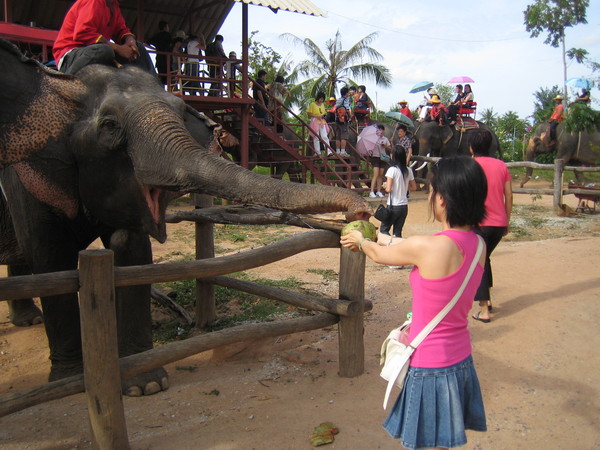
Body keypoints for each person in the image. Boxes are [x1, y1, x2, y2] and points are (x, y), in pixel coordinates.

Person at [341, 155, 488, 449]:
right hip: (460, 360)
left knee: (421, 441)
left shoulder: (430, 246)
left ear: (443, 199)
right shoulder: (478, 244)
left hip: (430, 364)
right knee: (441, 438)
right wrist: (377, 235)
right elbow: (406, 246)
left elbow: (383, 255)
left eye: (432, 191)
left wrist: (361, 241)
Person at [470, 130, 513, 323]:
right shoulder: (501, 165)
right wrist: (507, 220)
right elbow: (509, 195)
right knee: (484, 259)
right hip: (498, 223)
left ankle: (484, 309)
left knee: (479, 262)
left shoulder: (471, 165)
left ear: (471, 147)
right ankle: (488, 301)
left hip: (478, 223)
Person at [53, 0, 155, 76]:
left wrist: (130, 41)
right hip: (71, 55)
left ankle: (156, 88)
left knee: (139, 47)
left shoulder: (113, 5)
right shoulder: (94, 1)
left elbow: (121, 30)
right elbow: (82, 33)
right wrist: (119, 49)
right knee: (105, 51)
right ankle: (68, 80)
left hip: (96, 50)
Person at [378, 145, 417, 240]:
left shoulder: (392, 170)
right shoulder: (408, 170)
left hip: (393, 205)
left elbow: (388, 189)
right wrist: (402, 186)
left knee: (384, 230)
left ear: (393, 156)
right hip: (404, 206)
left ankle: (386, 250)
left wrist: (385, 186)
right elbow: (414, 187)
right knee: (397, 232)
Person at [369, 124, 392, 198]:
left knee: (380, 175)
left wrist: (385, 146)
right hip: (375, 157)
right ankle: (372, 191)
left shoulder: (385, 139)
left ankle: (378, 191)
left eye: (382, 130)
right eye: (379, 130)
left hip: (382, 158)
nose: (381, 131)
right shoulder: (374, 139)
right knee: (375, 174)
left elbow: (389, 148)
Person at [307, 92, 331, 156]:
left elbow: (323, 112)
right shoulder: (312, 104)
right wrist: (316, 116)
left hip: (322, 121)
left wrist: (323, 115)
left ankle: (328, 151)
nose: (321, 100)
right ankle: (318, 152)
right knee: (316, 137)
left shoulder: (322, 105)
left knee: (324, 136)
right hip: (315, 121)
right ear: (318, 98)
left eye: (323, 99)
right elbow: (308, 113)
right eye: (321, 99)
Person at [148, 21, 172, 85]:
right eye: (167, 27)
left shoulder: (156, 36)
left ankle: (162, 90)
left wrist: (155, 49)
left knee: (161, 77)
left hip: (159, 58)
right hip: (167, 58)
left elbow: (146, 43)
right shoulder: (168, 35)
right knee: (170, 76)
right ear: (165, 27)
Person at [334, 87, 352, 157]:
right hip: (343, 120)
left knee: (338, 136)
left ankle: (338, 151)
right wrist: (350, 116)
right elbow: (347, 109)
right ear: (346, 93)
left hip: (337, 119)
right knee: (344, 136)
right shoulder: (346, 100)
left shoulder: (338, 100)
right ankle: (343, 151)